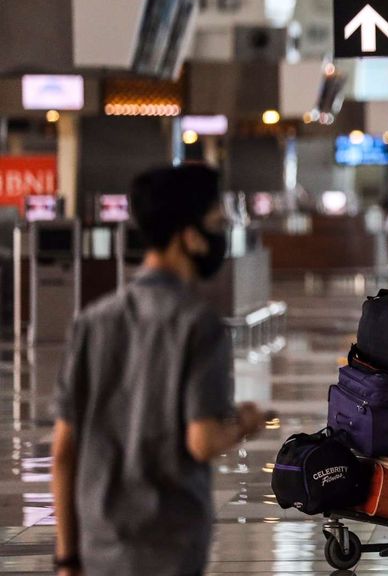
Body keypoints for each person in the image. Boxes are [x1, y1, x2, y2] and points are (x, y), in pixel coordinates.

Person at [51, 164, 267, 576]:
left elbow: (63, 451)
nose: (219, 236)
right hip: (169, 544)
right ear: (188, 235)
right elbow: (202, 441)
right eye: (215, 223)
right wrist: (245, 423)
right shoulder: (199, 325)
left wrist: (67, 557)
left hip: (100, 543)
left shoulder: (92, 321)